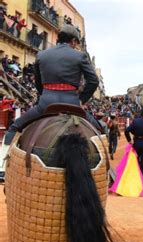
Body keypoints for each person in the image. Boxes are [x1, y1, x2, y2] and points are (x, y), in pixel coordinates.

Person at [1, 25, 100, 163]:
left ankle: (2, 166)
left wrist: (45, 95)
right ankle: (105, 166)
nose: (76, 45)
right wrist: (81, 100)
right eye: (76, 43)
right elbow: (93, 81)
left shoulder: (42, 55)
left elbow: (38, 82)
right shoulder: (79, 56)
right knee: (100, 129)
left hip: (46, 102)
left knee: (14, 127)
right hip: (72, 103)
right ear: (72, 41)